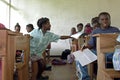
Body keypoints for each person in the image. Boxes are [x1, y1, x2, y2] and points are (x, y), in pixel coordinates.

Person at [79, 12, 120, 80]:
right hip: (97, 52)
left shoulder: (116, 30)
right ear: (99, 21)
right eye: (102, 19)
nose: (105, 21)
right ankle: (86, 78)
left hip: (112, 53)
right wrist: (85, 46)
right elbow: (91, 44)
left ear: (110, 20)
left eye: (107, 19)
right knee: (80, 57)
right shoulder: (95, 31)